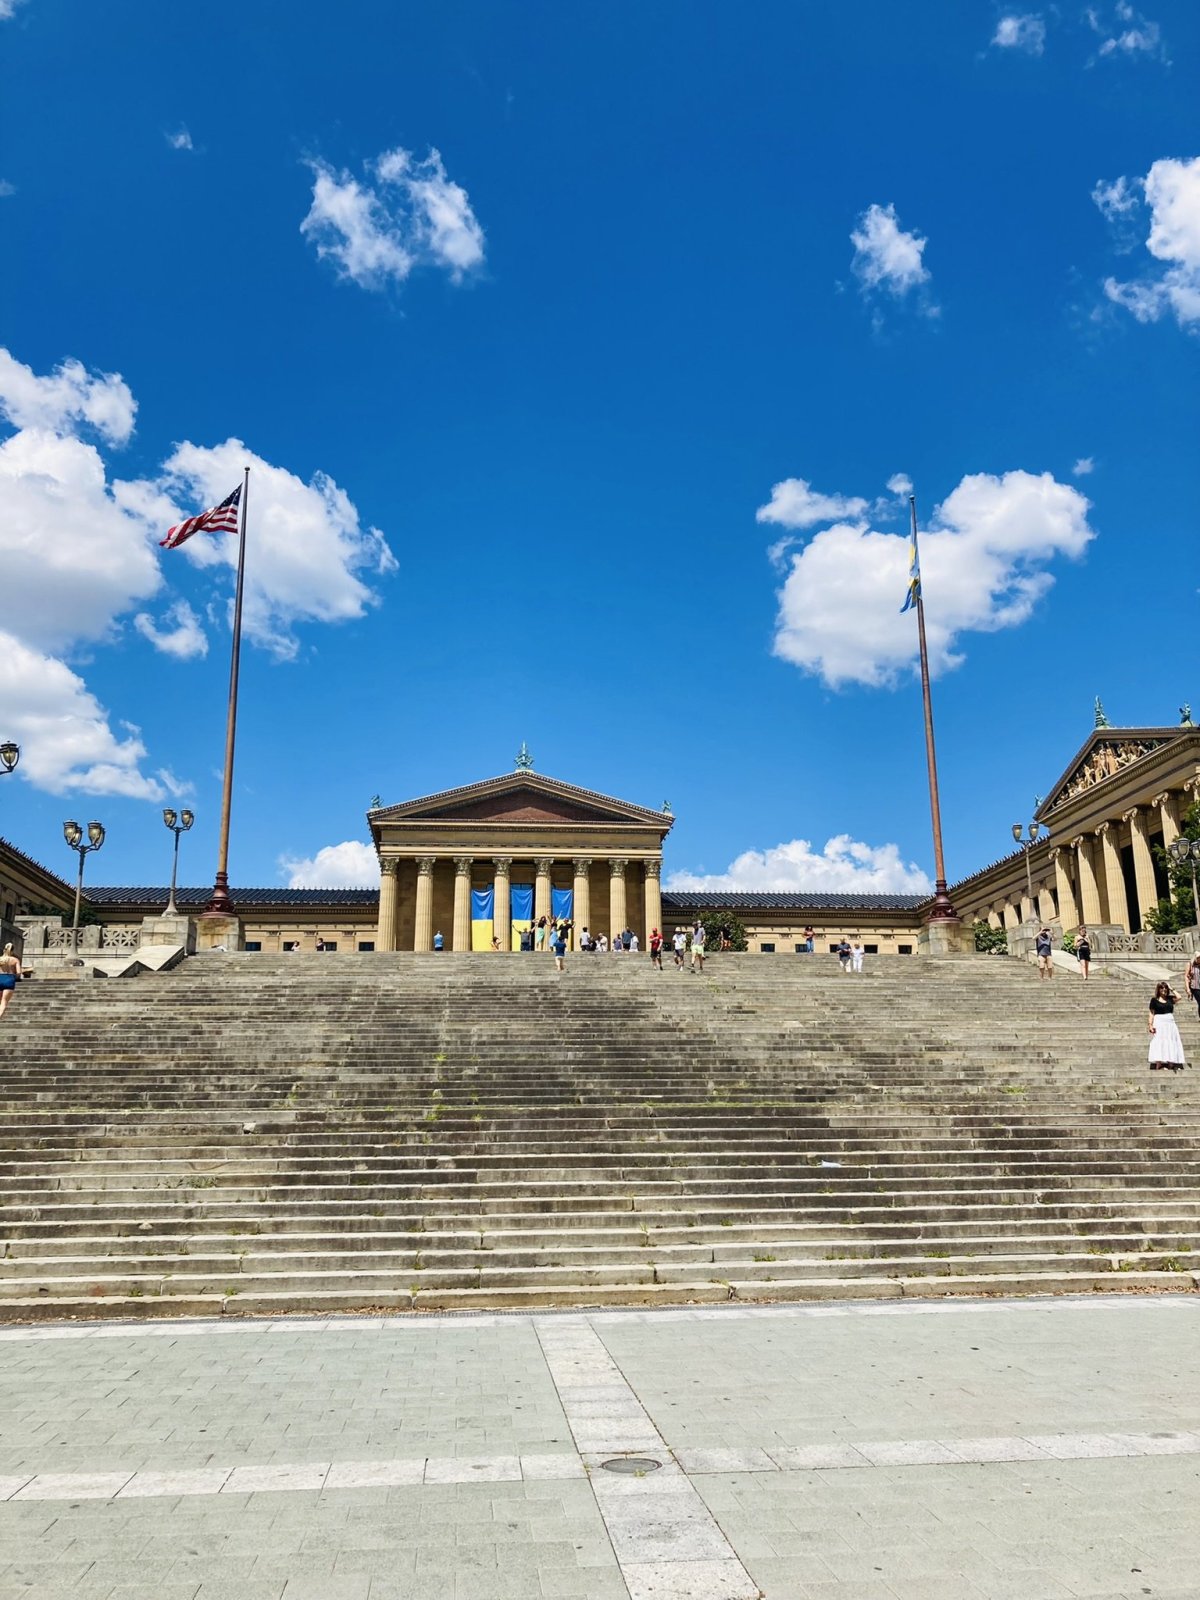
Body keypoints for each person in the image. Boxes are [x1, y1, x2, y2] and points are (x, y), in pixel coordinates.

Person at [1148, 980, 1186, 1072]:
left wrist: (1171, 988)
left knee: (1171, 1041)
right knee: (1159, 1041)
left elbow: (1179, 997)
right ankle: (1159, 1063)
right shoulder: (1154, 1000)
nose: (1164, 989)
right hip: (1159, 1022)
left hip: (1170, 1023)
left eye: (1165, 988)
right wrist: (1150, 1025)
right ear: (1158, 989)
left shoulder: (1170, 999)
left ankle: (1170, 1063)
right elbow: (1151, 1013)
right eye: (1162, 988)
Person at [0, 943, 20, 1020]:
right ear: (12, 951)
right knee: (4, 1002)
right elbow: (18, 973)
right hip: (9, 979)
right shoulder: (15, 960)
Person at [1185, 953, 1200, 1020]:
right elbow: (1186, 976)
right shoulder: (1190, 964)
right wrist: (1188, 989)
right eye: (1198, 958)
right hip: (1195, 987)